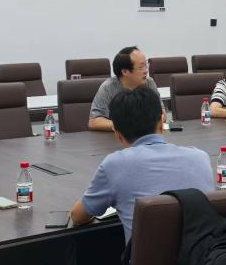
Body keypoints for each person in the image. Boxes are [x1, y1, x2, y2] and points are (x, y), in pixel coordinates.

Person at [72, 85, 213, 241]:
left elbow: (77, 217)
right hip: (204, 253)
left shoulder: (114, 165)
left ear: (117, 133)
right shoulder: (200, 157)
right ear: (162, 122)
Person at [89, 46, 166, 132]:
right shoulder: (108, 87)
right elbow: (94, 121)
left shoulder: (149, 83)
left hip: (145, 135)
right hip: (116, 137)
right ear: (125, 71)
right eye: (141, 67)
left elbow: (161, 112)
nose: (146, 71)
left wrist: (159, 118)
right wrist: (126, 126)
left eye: (146, 65)